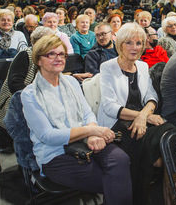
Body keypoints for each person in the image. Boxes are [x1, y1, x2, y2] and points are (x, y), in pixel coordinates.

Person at [21, 34, 132, 205]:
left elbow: (87, 114)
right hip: (55, 154)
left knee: (120, 160)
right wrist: (91, 131)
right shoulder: (30, 94)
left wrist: (93, 134)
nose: (58, 58)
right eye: (51, 54)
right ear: (39, 60)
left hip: (85, 140)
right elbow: (47, 136)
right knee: (112, 181)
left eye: (62, 54)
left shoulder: (71, 83)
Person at [98, 23, 174, 205]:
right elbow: (110, 107)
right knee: (152, 147)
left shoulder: (142, 66)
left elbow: (151, 96)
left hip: (140, 116)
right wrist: (145, 116)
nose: (135, 47)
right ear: (120, 45)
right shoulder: (107, 67)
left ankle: (167, 196)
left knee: (169, 132)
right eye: (129, 43)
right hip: (116, 122)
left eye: (139, 43)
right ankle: (141, 196)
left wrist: (144, 115)